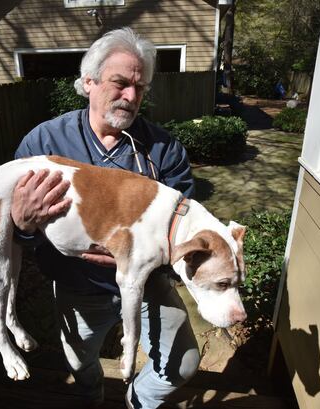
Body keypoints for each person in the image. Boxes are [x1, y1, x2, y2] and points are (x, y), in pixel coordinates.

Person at [11, 27, 199, 409]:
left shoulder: (163, 151)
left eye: (140, 87)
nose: (131, 97)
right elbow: (14, 233)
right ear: (88, 81)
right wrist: (22, 224)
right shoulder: (44, 146)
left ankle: (135, 401)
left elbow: (186, 233)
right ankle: (91, 397)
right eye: (120, 83)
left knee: (183, 364)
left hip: (149, 286)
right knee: (80, 366)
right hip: (78, 288)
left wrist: (146, 258)